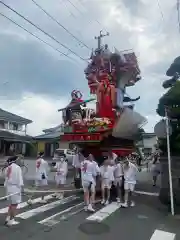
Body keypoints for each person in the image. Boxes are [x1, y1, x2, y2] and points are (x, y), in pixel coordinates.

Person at [4, 156, 24, 226]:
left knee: (11, 204)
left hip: (8, 187)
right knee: (14, 205)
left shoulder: (8, 167)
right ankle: (11, 220)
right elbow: (19, 180)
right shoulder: (17, 168)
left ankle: (8, 218)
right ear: (15, 160)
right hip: (15, 188)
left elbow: (6, 178)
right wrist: (22, 188)